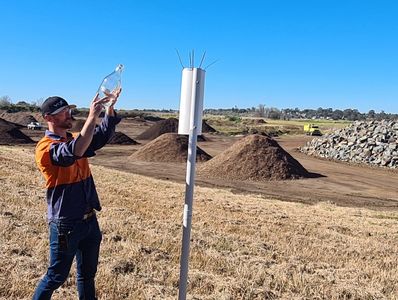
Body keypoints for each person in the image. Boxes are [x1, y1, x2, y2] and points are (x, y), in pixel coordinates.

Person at [32, 90, 121, 300]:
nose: (69, 114)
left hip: (89, 221)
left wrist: (108, 110)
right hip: (66, 225)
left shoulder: (74, 139)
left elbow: (98, 138)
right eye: (63, 112)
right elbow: (75, 151)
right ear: (49, 118)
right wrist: (91, 117)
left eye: (69, 110)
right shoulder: (46, 149)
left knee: (87, 275)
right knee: (56, 276)